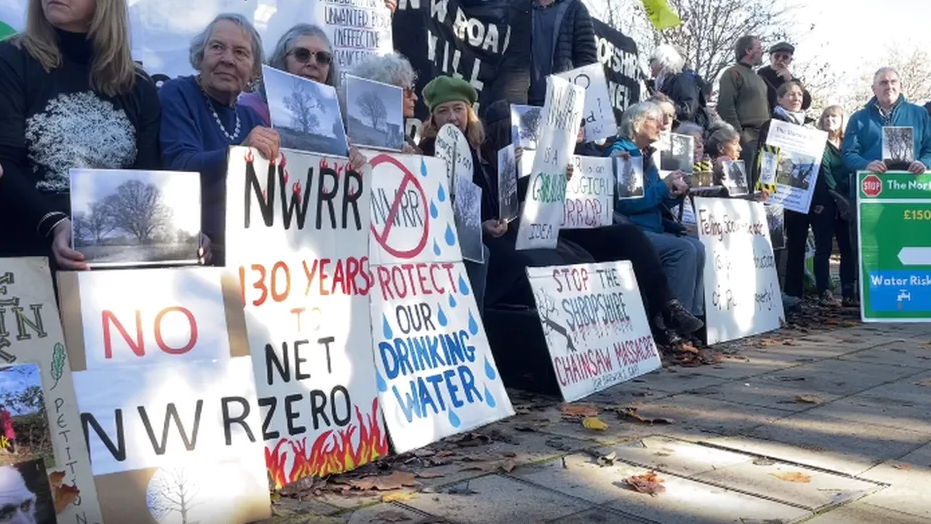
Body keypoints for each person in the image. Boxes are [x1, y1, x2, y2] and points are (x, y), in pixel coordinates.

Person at [0, 0, 160, 269]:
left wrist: (179, 232)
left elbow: (148, 180)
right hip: (27, 258)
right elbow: (4, 162)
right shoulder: (10, 58)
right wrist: (55, 223)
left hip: (113, 264)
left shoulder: (139, 86)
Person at [158, 13, 278, 266]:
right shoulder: (177, 93)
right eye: (217, 47)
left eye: (240, 53)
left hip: (246, 261)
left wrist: (347, 159)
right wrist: (240, 152)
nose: (227, 59)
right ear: (200, 57)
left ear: (254, 71)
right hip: (193, 254)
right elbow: (180, 166)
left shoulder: (252, 119)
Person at [607, 102, 706, 327]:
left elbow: (654, 200)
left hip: (651, 226)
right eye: (655, 120)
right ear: (636, 123)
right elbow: (630, 205)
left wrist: (675, 192)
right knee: (684, 250)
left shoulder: (643, 155)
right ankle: (672, 324)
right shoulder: (623, 154)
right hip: (633, 230)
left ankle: (693, 318)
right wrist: (664, 185)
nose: (662, 126)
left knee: (699, 246)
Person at [417, 76, 497, 315]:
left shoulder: (481, 148)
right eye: (443, 110)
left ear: (468, 112)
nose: (452, 117)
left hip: (485, 234)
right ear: (433, 117)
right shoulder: (428, 151)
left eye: (458, 109)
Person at [756, 81, 813, 309]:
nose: (796, 97)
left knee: (798, 244)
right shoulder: (771, 125)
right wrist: (765, 188)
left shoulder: (809, 129)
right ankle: (771, 293)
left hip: (800, 195)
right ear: (779, 99)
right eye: (790, 94)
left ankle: (794, 294)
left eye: (799, 94)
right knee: (775, 243)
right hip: (775, 194)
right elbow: (765, 157)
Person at [239, 23, 339, 126]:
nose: (313, 63)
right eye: (302, 54)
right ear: (282, 60)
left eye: (322, 57)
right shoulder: (248, 109)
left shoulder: (336, 120)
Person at [843, 67, 931, 176]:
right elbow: (849, 154)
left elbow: (929, 148)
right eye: (883, 83)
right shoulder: (858, 119)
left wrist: (924, 163)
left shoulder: (920, 114)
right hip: (872, 186)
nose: (889, 86)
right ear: (873, 89)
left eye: (893, 82)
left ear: (901, 86)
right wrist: (866, 165)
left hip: (911, 185)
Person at [813, 105, 857, 307]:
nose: (830, 120)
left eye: (835, 117)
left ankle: (848, 292)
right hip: (825, 201)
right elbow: (825, 172)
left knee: (847, 247)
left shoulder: (847, 143)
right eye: (827, 116)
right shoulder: (818, 143)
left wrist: (847, 198)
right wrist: (834, 195)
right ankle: (824, 292)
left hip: (846, 200)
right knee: (824, 248)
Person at [717, 35, 769, 189]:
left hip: (763, 138)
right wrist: (738, 136)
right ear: (748, 50)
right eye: (759, 48)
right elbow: (725, 106)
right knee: (743, 184)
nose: (762, 51)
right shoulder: (732, 73)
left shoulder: (759, 78)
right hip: (745, 137)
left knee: (760, 185)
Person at [348, 52, 421, 153]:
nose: (415, 97)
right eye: (406, 91)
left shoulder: (408, 144)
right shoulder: (347, 142)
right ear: (383, 92)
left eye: (412, 90)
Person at [528, 0, 597, 106]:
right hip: (522, 104)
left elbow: (587, 61)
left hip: (561, 105)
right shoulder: (521, 7)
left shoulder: (576, 8)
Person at [650, 44, 709, 128]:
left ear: (662, 63)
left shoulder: (683, 79)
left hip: (686, 131)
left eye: (652, 68)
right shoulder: (669, 82)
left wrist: (667, 103)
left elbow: (688, 110)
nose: (651, 74)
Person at [757, 42, 812, 114]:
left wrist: (790, 81)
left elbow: (806, 103)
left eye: (785, 57)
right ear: (770, 58)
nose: (780, 59)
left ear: (790, 60)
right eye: (777, 56)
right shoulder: (761, 75)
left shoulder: (793, 81)